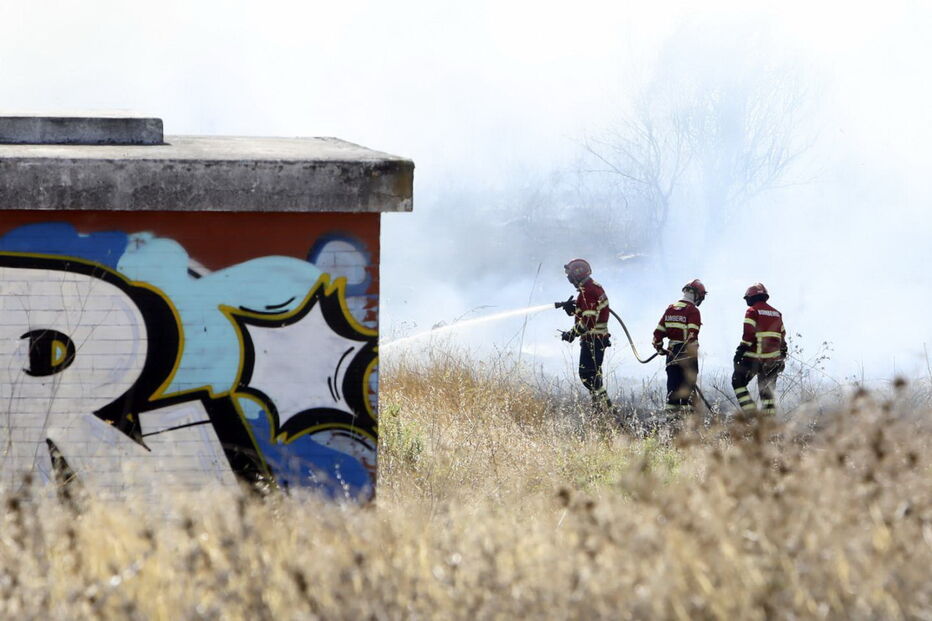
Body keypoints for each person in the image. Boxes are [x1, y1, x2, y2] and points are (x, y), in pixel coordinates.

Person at [559, 259, 612, 410]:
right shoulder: (591, 288)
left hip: (593, 339)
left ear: (577, 274)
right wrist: (574, 308)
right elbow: (589, 311)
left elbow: (588, 322)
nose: (570, 280)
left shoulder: (587, 291)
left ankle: (606, 408)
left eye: (570, 276)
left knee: (587, 375)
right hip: (598, 339)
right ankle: (600, 409)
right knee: (594, 376)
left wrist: (571, 334)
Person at [652, 280, 707, 416]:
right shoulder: (693, 311)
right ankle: (689, 427)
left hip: (671, 355)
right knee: (688, 393)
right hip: (687, 356)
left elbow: (657, 334)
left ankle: (671, 424)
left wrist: (660, 349)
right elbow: (692, 335)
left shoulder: (670, 309)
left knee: (673, 391)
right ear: (696, 295)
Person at [732, 283, 787, 416]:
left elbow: (749, 335)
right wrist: (782, 355)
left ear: (751, 297)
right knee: (767, 394)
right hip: (773, 360)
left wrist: (739, 352)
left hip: (754, 358)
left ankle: (751, 415)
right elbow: (782, 336)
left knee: (737, 381)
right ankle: (768, 426)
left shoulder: (752, 311)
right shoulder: (777, 313)